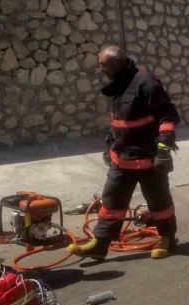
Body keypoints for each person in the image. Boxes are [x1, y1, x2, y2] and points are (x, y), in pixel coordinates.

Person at [68, 46, 180, 260]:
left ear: (117, 63)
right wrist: (109, 147)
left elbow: (168, 118)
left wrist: (164, 152)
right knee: (111, 202)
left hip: (149, 160)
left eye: (104, 65)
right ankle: (100, 244)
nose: (100, 69)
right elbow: (119, 123)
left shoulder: (147, 83)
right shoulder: (119, 85)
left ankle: (167, 239)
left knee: (159, 202)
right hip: (122, 159)